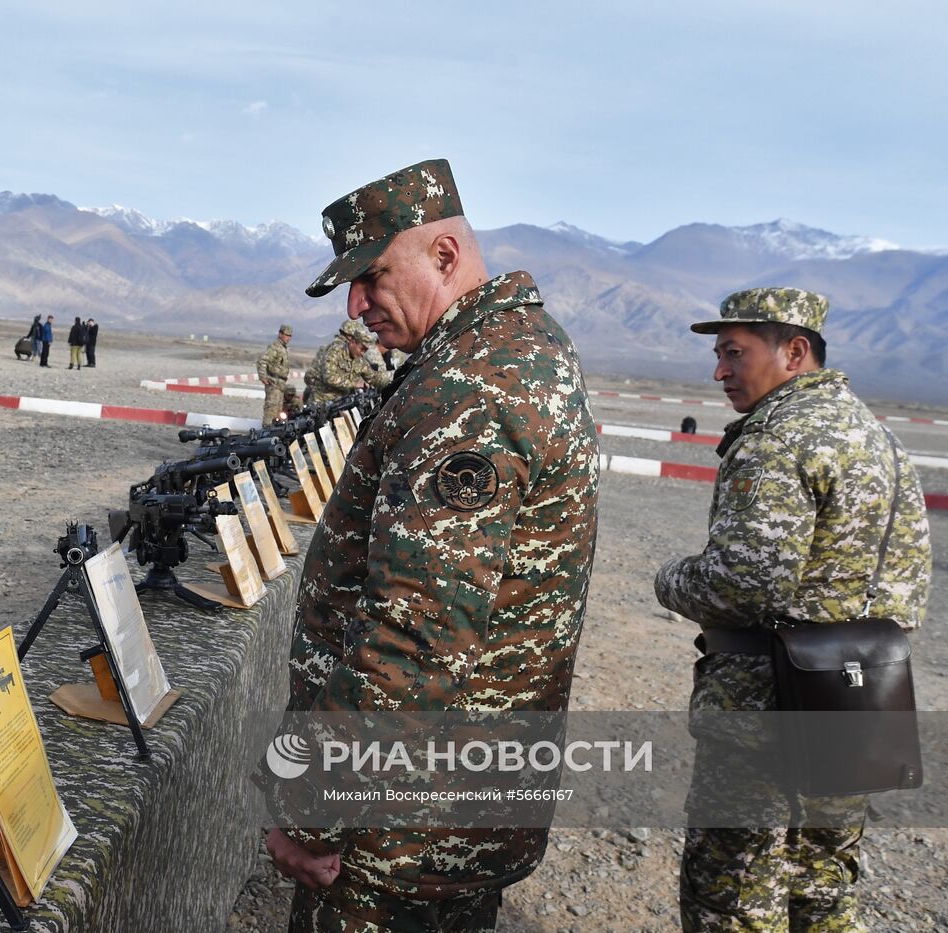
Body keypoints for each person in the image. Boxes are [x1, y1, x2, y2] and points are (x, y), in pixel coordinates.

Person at [267, 158, 600, 931]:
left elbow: (411, 640)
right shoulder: (513, 350)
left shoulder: (471, 390)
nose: (356, 305)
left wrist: (314, 811)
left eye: (373, 276)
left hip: (399, 836)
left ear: (444, 256)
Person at [654, 288, 931, 932]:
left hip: (764, 715)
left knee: (734, 894)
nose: (719, 370)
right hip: (859, 706)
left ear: (795, 352)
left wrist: (670, 579)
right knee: (823, 890)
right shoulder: (878, 438)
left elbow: (742, 586)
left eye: (733, 353)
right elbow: (908, 585)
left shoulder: (778, 436)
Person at [302, 319, 379, 406]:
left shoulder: (336, 349)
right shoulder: (335, 350)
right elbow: (327, 377)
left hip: (335, 399)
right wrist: (354, 384)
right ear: (351, 338)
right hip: (323, 400)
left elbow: (371, 375)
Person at [257, 324, 293, 423]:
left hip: (280, 385)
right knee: (271, 411)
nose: (288, 338)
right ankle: (266, 432)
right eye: (286, 335)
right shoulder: (275, 347)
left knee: (278, 413)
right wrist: (263, 376)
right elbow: (262, 361)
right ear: (280, 334)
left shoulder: (283, 348)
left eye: (290, 336)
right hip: (273, 383)